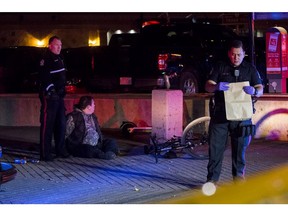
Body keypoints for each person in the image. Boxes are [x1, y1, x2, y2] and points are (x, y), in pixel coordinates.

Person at [205, 39, 263, 183]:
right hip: (220, 116)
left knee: (239, 152)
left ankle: (238, 181)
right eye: (232, 54)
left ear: (244, 54)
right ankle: (212, 182)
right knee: (215, 151)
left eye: (238, 54)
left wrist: (254, 91)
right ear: (228, 53)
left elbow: (260, 89)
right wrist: (216, 86)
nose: (235, 57)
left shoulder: (250, 69)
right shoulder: (220, 67)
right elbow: (208, 86)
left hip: (242, 118)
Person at [38, 35, 69, 161]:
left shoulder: (59, 57)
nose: (59, 47)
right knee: (48, 124)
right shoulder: (45, 59)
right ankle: (45, 153)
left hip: (59, 96)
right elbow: (44, 76)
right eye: (57, 45)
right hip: (50, 96)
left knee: (61, 123)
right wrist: (51, 90)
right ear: (50, 45)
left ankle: (60, 150)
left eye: (60, 45)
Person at [65, 95, 119, 160]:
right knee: (88, 149)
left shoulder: (93, 116)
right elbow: (65, 134)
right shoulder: (73, 117)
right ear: (88, 107)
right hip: (81, 146)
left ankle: (109, 153)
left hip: (96, 144)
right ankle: (103, 155)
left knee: (111, 141)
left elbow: (97, 131)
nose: (94, 106)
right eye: (93, 104)